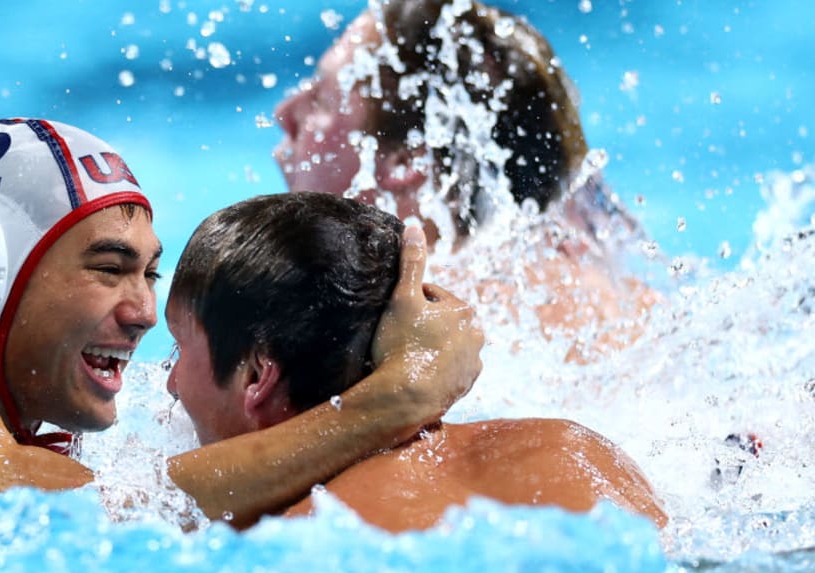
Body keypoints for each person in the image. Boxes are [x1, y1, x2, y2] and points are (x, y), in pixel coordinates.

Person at [0, 118, 484, 529]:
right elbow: (100, 515)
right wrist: (398, 399)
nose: (144, 313)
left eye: (150, 272)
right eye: (108, 267)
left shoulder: (15, 420)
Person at [165, 191, 668, 532]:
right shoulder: (574, 448)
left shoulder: (307, 531)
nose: (169, 383)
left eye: (179, 348)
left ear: (257, 375)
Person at [272, 0, 660, 356]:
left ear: (406, 159)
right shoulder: (610, 296)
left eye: (321, 99)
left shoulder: (401, 328)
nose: (285, 113)